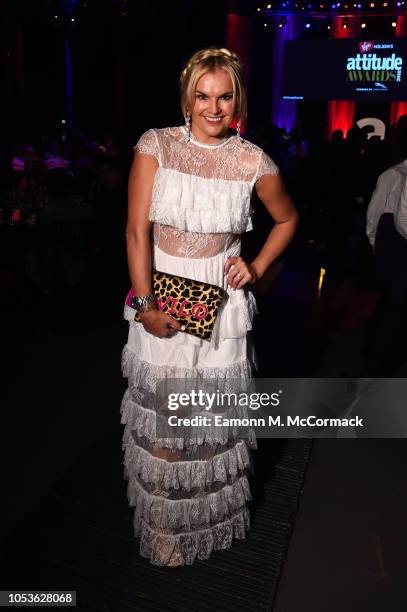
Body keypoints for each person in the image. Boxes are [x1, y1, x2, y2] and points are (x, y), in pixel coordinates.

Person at [121, 47, 298, 567]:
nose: (213, 108)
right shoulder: (156, 146)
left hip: (222, 305)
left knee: (206, 420)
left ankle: (203, 524)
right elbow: (136, 231)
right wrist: (145, 304)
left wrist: (257, 266)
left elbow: (288, 220)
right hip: (163, 296)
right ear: (188, 98)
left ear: (237, 99)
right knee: (163, 426)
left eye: (223, 97)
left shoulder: (253, 160)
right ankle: (166, 532)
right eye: (203, 96)